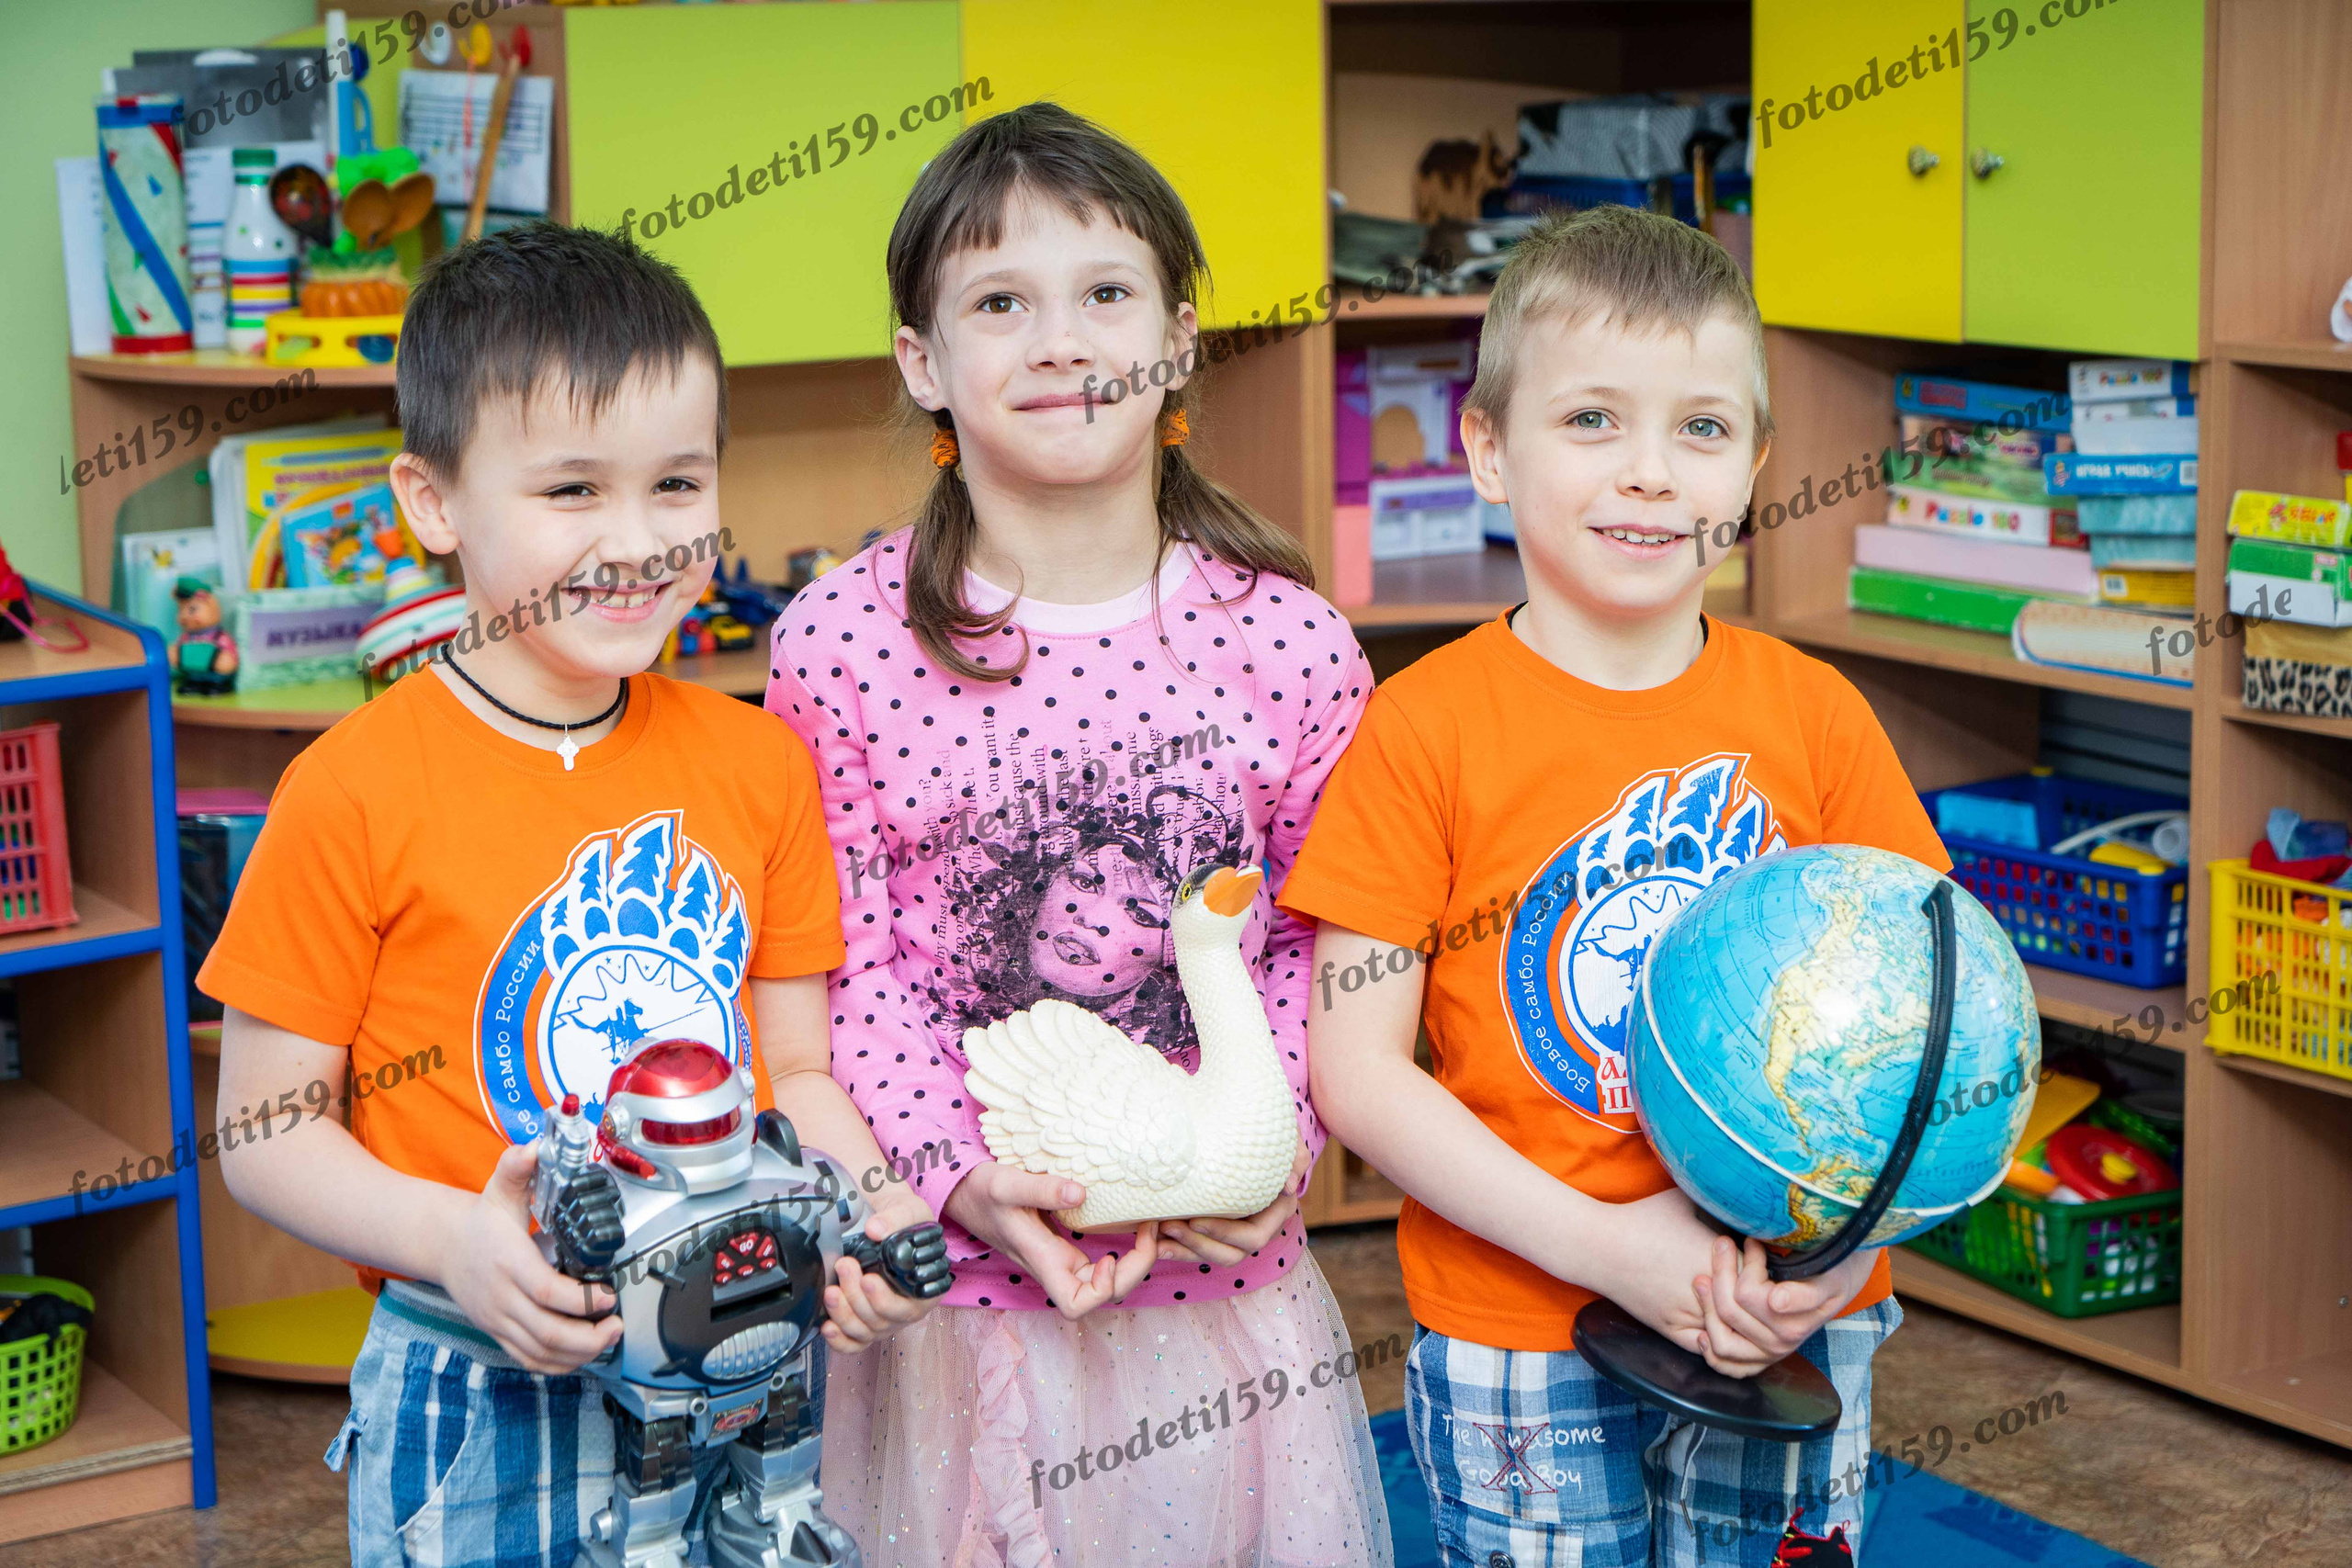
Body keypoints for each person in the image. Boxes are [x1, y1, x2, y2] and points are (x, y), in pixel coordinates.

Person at [198, 224, 938, 1567]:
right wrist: (456, 1245)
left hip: (736, 1353)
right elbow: (261, 1131)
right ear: (430, 502)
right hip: (475, 1377)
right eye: (571, 491)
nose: (638, 540)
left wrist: (873, 1209)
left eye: (677, 484)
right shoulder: (348, 789)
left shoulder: (758, 763)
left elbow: (797, 1074)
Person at [1281, 205, 1953, 1566]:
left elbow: (1934, 1043)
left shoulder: (1818, 720)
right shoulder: (1421, 729)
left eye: (1701, 430)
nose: (1650, 474)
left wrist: (1807, 1270)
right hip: (1519, 1322)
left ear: (1753, 471)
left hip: (1787, 1315)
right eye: (1593, 420)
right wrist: (1616, 1251)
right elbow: (1356, 1076)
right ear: (1485, 449)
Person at [767, 103, 1391, 1565]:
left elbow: (1322, 946)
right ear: (924, 363)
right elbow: (852, 971)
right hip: (968, 1315)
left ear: (1177, 341)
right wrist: (952, 1183)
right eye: (1000, 304)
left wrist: (1269, 1151)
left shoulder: (1291, 644)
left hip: (1231, 1307)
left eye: (1106, 294)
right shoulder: (839, 647)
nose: (1059, 342)